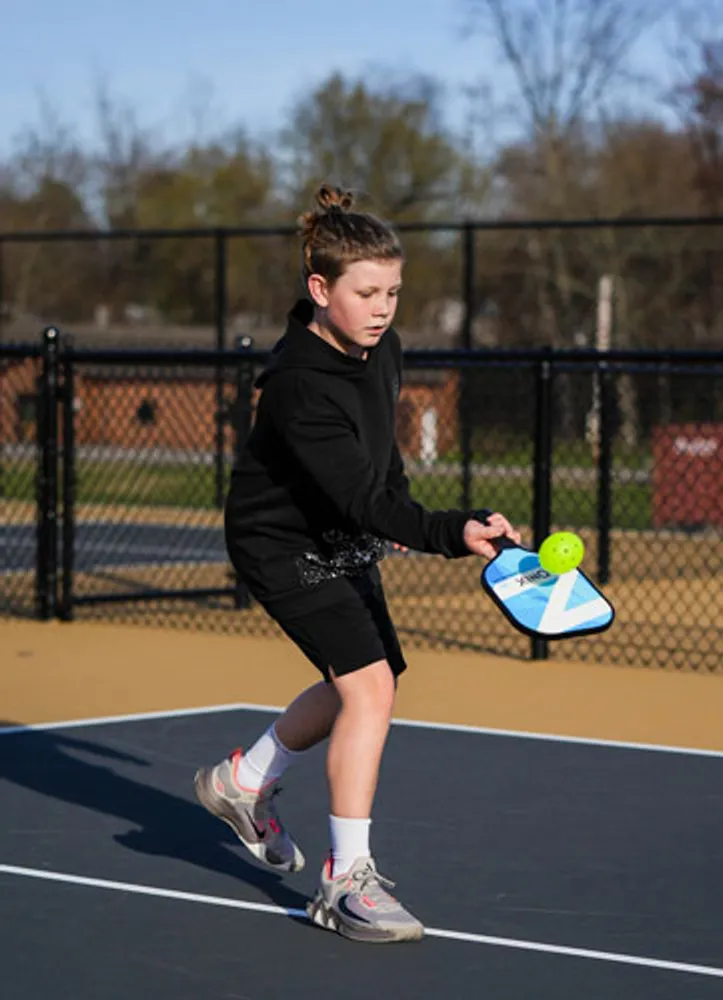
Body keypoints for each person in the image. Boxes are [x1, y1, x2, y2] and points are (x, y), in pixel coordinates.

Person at [194, 184, 520, 943]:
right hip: (281, 541)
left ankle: (243, 783)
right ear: (320, 288)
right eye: (366, 292)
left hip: (337, 527)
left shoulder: (383, 349)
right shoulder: (297, 386)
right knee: (369, 686)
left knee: (367, 683)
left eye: (394, 291)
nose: (383, 307)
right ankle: (345, 883)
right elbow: (353, 492)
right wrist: (445, 529)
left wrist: (418, 516)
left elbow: (378, 465)